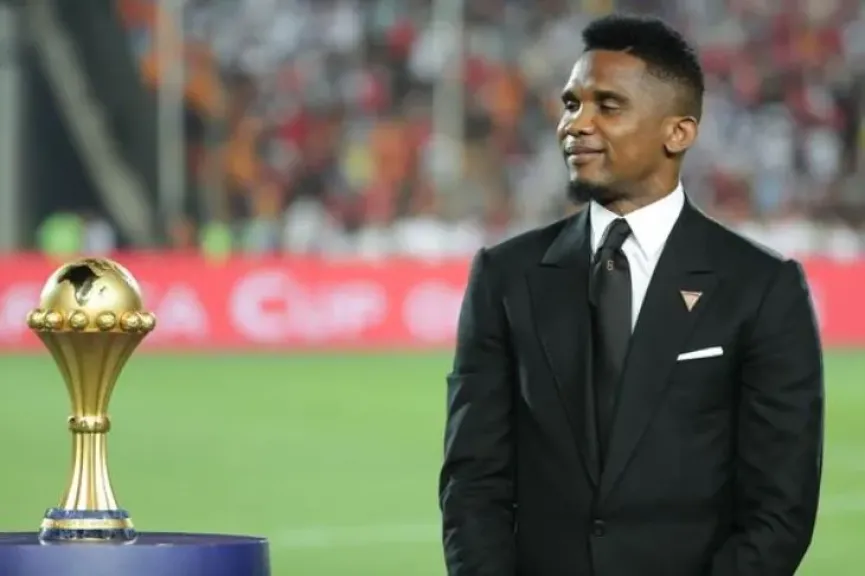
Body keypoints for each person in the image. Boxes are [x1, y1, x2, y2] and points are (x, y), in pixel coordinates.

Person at [439, 13, 824, 576]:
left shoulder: (762, 287)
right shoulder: (504, 276)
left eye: (608, 105)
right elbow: (472, 483)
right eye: (571, 103)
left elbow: (780, 509)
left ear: (678, 133)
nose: (575, 124)